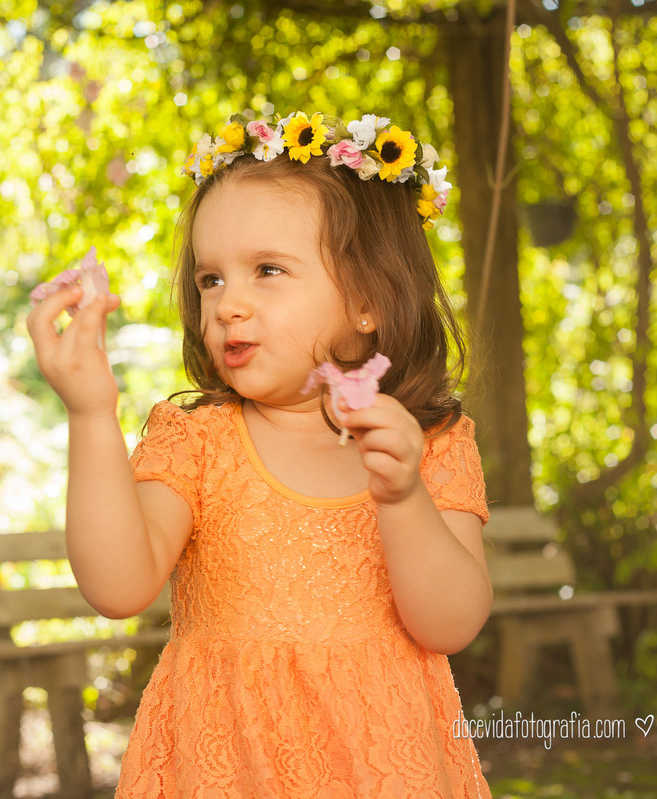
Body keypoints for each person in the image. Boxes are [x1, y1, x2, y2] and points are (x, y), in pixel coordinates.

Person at [27, 111, 492, 798]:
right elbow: (117, 586)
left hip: (385, 771)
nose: (228, 304)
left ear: (366, 298)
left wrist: (402, 499)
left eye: (266, 270)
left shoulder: (430, 444)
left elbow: (450, 623)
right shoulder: (197, 440)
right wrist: (92, 413)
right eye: (211, 279)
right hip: (223, 769)